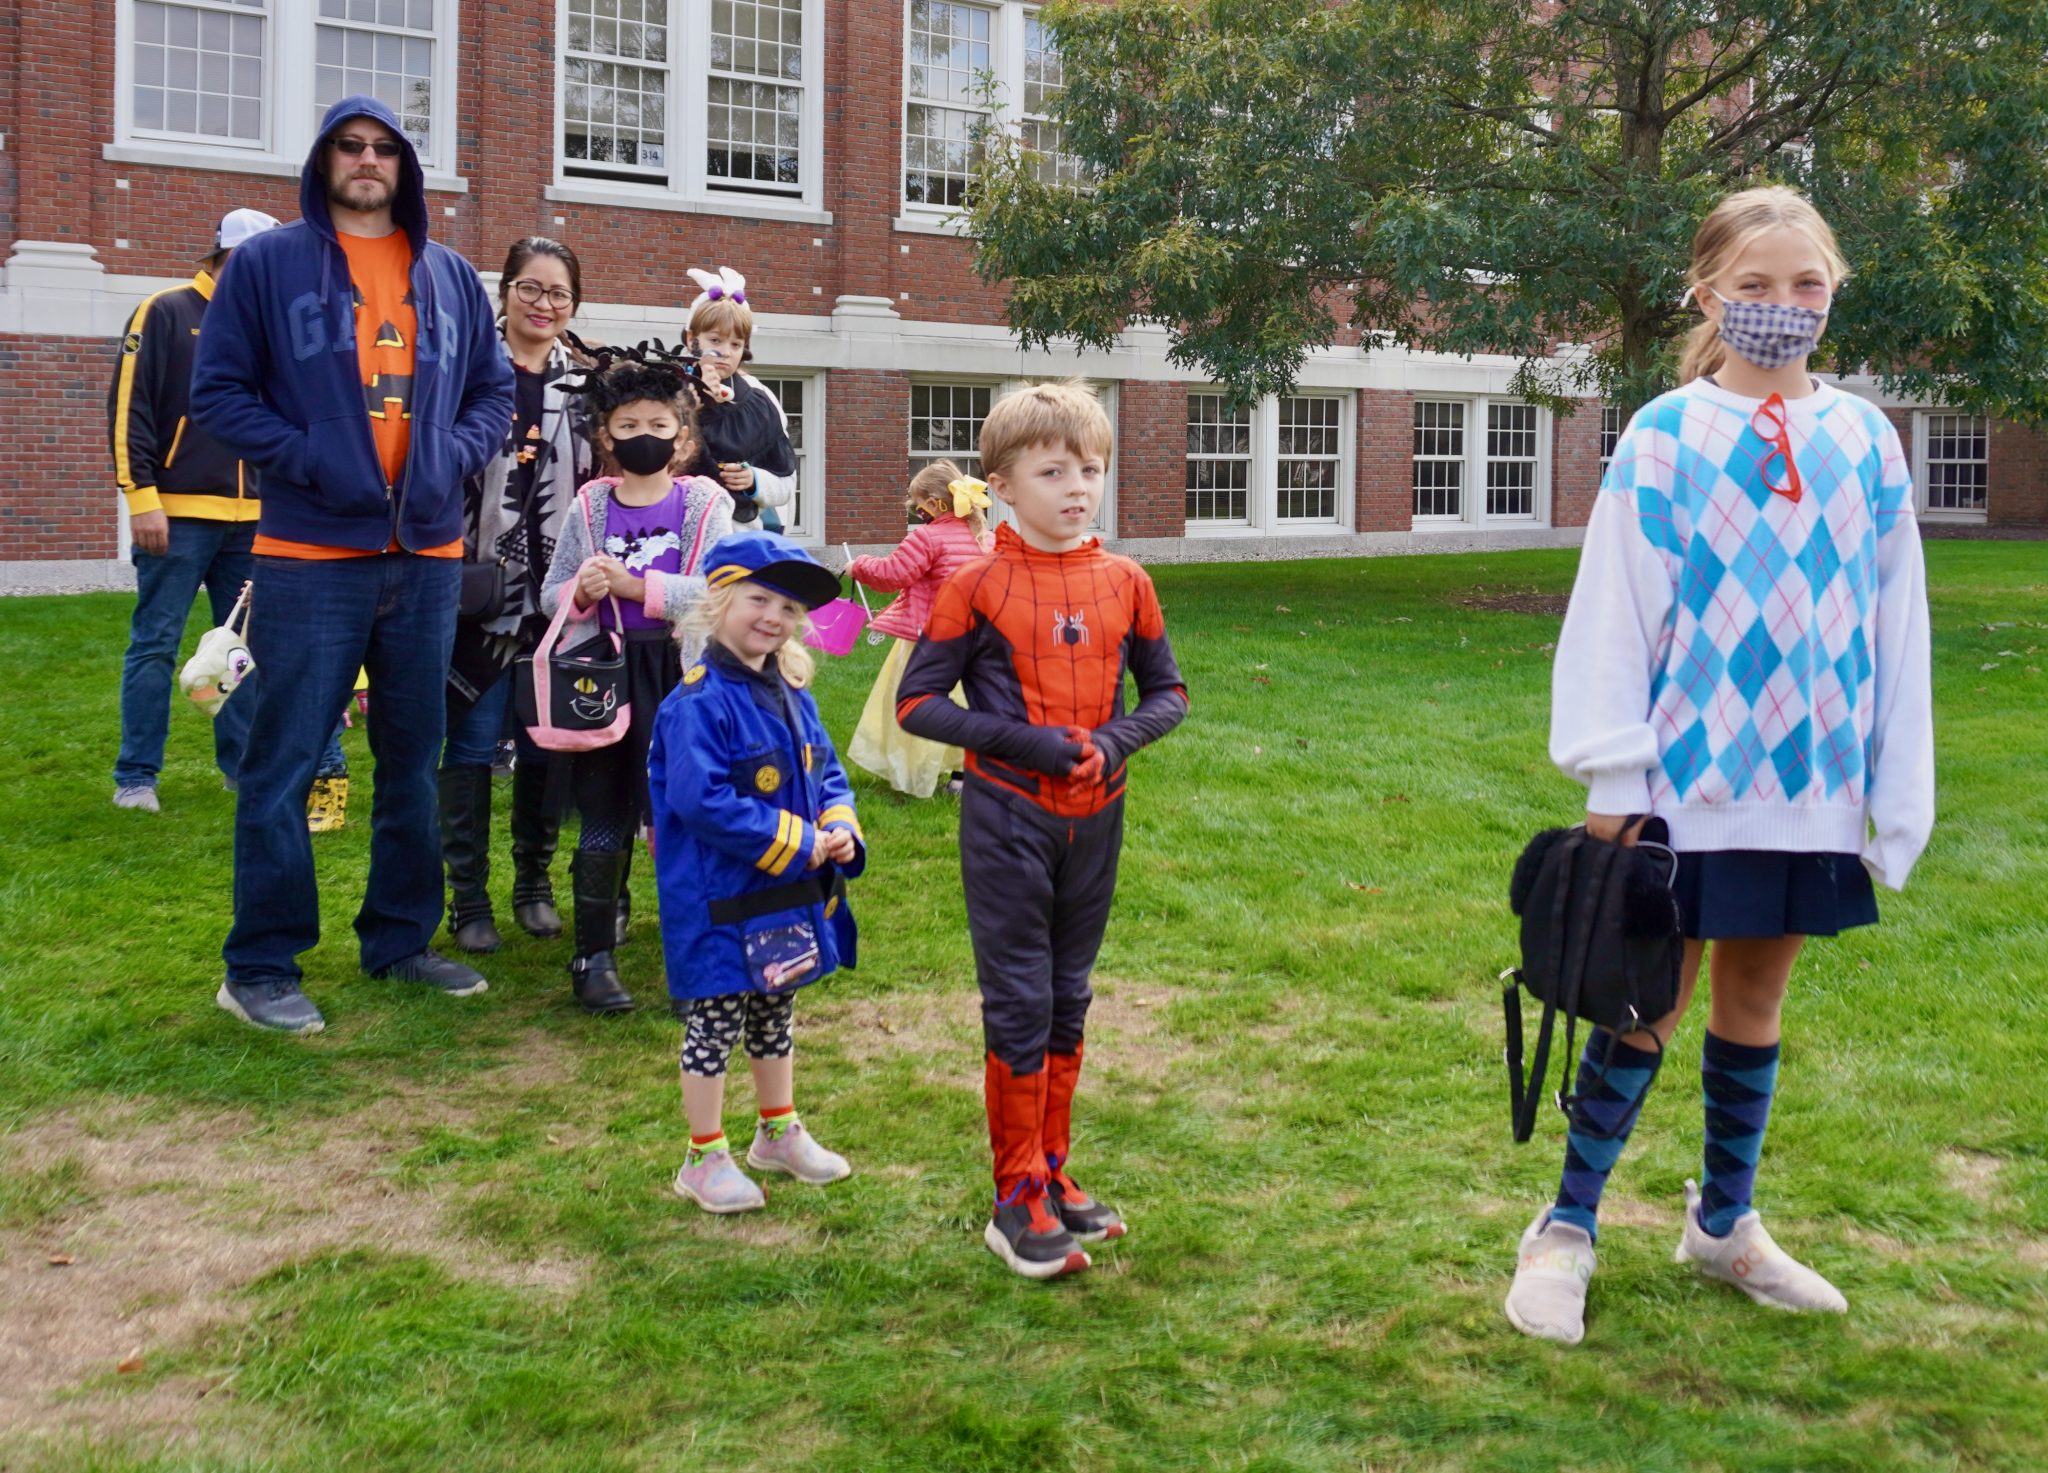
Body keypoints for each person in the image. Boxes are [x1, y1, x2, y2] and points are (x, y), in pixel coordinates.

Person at [1504, 186, 1934, 1346]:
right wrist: (1611, 780)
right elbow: (1613, 612)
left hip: (1812, 782)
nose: (1780, 308)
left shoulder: (1860, 440)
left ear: (1832, 294)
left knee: (1755, 998)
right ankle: (1566, 1227)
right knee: (1644, 1002)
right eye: (1753, 288)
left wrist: (1892, 790)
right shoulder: (1660, 434)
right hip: (1683, 783)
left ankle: (1723, 1224)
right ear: (1704, 294)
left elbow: (1895, 620)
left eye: (1804, 286)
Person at [190, 97, 515, 1036]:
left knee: (412, 759)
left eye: (384, 149)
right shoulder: (266, 265)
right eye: (350, 146)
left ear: (404, 168)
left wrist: (454, 454)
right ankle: (258, 965)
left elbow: (492, 390)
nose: (367, 160)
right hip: (308, 555)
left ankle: (400, 939)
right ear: (324, 158)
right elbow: (219, 393)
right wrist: (309, 456)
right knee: (283, 759)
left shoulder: (448, 274)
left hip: (425, 556)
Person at [896, 380, 1189, 1279]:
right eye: (1052, 469)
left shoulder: (1127, 582)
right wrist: (1028, 743)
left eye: (1089, 469)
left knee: (1070, 995)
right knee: (1021, 1000)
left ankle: (1053, 1173)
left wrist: (1111, 741)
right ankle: (1011, 1194)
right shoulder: (976, 583)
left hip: (1096, 818)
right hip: (1007, 819)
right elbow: (917, 703)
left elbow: (1168, 694)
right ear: (1002, 484)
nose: (1075, 486)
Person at [650, 530, 863, 1214]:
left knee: (776, 1008)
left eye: (788, 607)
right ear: (718, 600)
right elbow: (702, 799)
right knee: (715, 1021)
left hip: (784, 894)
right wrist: (799, 838)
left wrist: (838, 821)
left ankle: (777, 1131)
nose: (774, 616)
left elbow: (825, 767)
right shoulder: (696, 701)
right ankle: (703, 1154)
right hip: (722, 899)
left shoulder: (792, 690)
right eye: (759, 598)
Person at [539, 356, 733, 1013]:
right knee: (604, 811)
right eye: (628, 424)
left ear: (682, 438)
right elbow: (550, 595)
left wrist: (633, 586)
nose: (642, 433)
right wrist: (583, 592)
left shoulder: (703, 501)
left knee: (685, 813)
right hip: (602, 679)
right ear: (606, 436)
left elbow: (717, 591)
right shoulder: (590, 505)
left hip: (681, 677)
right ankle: (592, 954)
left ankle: (697, 955)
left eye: (657, 423)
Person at [439, 237, 594, 953]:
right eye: (530, 289)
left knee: (546, 744)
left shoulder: (586, 389)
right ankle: (466, 900)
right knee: (471, 740)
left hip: (558, 601)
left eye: (558, 294)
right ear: (503, 292)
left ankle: (533, 882)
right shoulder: (468, 373)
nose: (543, 305)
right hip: (477, 594)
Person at [107, 207, 279, 812]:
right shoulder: (164, 310)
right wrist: (141, 499)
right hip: (173, 517)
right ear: (224, 258)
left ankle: (241, 771)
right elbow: (131, 409)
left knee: (240, 652)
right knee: (155, 643)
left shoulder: (271, 326)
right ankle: (136, 777)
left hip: (253, 520)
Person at [844, 459, 994, 797]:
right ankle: (962, 777)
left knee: (918, 702)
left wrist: (857, 566)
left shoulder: (927, 538)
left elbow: (892, 574)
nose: (916, 510)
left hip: (927, 641)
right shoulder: (983, 539)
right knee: (965, 705)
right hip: (973, 643)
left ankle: (915, 773)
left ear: (935, 503)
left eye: (918, 504)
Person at [679, 266, 798, 529]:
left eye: (736, 344)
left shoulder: (758, 401)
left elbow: (786, 484)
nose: (726, 352)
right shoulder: (665, 392)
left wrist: (754, 480)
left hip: (739, 548)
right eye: (715, 340)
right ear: (691, 339)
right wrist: (691, 402)